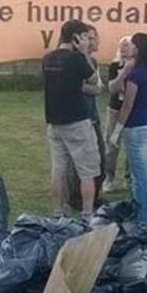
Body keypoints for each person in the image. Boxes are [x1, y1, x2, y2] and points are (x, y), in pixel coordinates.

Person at [42, 19, 101, 217]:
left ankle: (58, 211)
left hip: (54, 123)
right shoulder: (76, 59)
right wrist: (84, 53)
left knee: (58, 170)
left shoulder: (48, 58)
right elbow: (93, 79)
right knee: (87, 172)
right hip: (76, 121)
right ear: (75, 38)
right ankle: (86, 214)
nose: (87, 41)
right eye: (84, 37)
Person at [114, 33, 147, 223]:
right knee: (137, 170)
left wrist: (117, 130)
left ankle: (144, 216)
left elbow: (128, 105)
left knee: (139, 173)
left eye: (132, 45)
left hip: (135, 125)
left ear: (138, 49)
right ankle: (137, 209)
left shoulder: (136, 74)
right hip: (146, 122)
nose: (128, 48)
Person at [66, 25, 106, 210]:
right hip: (81, 114)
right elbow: (83, 86)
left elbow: (96, 84)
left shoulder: (92, 62)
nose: (91, 42)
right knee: (80, 160)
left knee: (98, 158)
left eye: (93, 38)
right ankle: (77, 198)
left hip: (93, 114)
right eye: (87, 38)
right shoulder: (76, 60)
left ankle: (94, 196)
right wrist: (96, 88)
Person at [103, 35, 134, 193]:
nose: (123, 49)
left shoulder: (139, 67)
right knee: (111, 144)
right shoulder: (114, 65)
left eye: (127, 46)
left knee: (131, 146)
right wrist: (123, 73)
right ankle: (109, 177)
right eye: (121, 46)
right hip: (115, 108)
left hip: (132, 111)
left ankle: (129, 178)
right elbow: (113, 88)